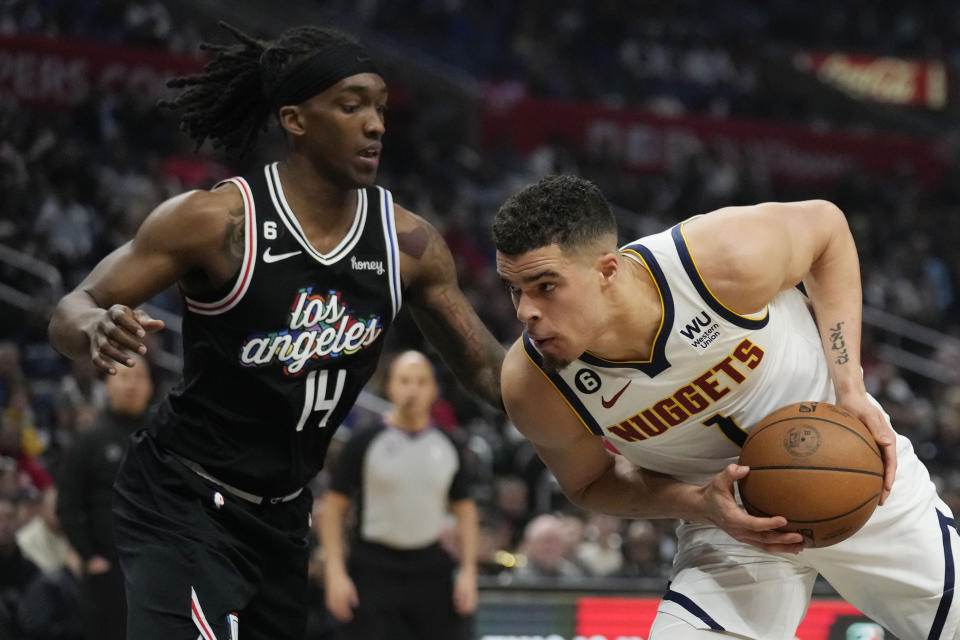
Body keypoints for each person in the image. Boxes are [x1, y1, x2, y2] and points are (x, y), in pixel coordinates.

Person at [47, 23, 503, 640]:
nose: (375, 124)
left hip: (283, 514)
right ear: (295, 119)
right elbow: (72, 307)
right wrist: (95, 327)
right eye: (351, 106)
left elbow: (488, 372)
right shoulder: (214, 221)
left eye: (380, 107)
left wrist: (595, 395)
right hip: (182, 496)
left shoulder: (409, 244)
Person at [492, 175, 960, 640]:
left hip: (849, 466)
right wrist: (699, 504)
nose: (524, 311)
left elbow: (828, 230)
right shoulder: (533, 384)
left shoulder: (716, 259)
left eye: (545, 286)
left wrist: (850, 384)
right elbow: (590, 482)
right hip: (726, 521)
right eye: (515, 289)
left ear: (608, 271)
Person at [321, 350, 478, 640]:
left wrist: (468, 572)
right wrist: (335, 573)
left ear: (433, 390)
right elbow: (332, 508)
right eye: (405, 381)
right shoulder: (364, 442)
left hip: (432, 569)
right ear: (390, 386)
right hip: (373, 568)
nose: (413, 389)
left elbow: (465, 510)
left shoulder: (449, 444)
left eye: (421, 382)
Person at [56, 353, 154, 640]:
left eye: (138, 378)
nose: (131, 385)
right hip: (108, 569)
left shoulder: (162, 436)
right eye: (124, 377)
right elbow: (68, 504)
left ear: (149, 386)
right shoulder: (89, 440)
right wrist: (89, 556)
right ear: (108, 384)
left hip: (158, 564)